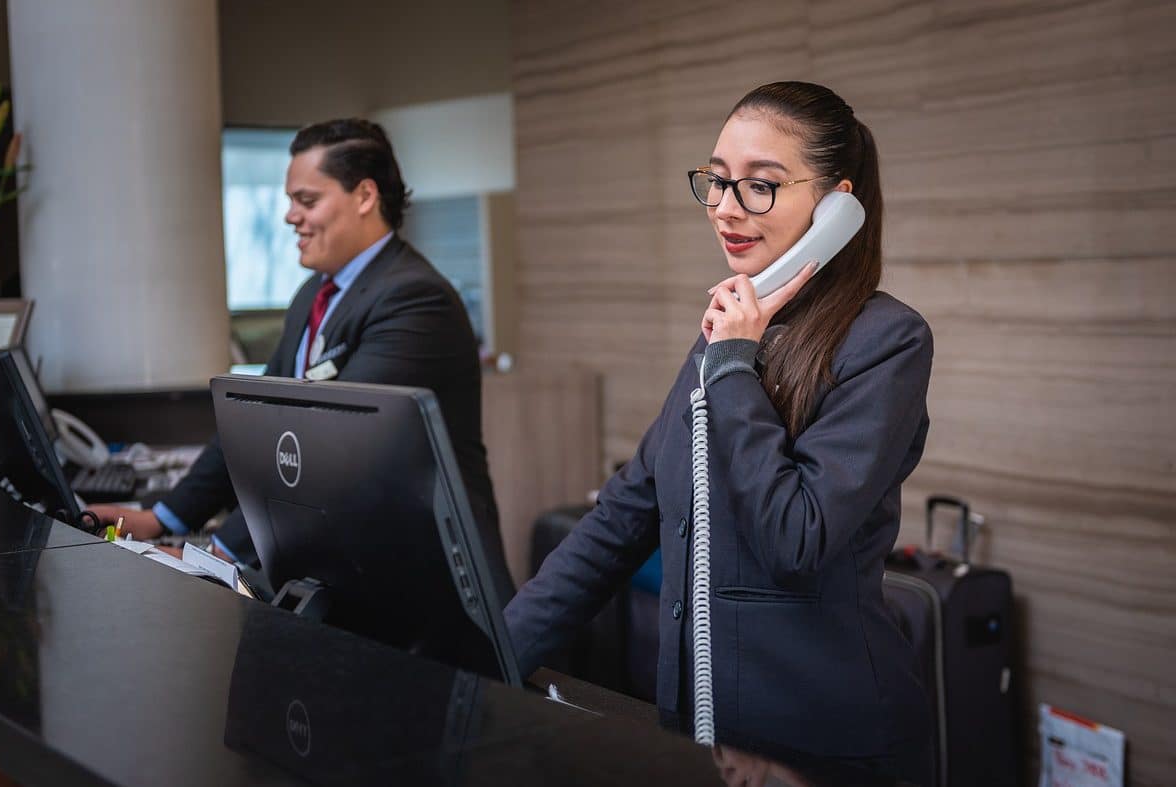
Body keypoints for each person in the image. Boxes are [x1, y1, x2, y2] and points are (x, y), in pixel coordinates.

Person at [503, 81, 933, 782]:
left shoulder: (886, 341)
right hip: (698, 738)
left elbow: (799, 538)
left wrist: (734, 359)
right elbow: (621, 517)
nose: (726, 209)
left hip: (820, 750)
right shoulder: (729, 332)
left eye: (759, 186)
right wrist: (489, 652)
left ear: (837, 207)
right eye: (717, 181)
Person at [92, 119, 511, 597]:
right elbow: (254, 424)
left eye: (307, 200)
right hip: (346, 571)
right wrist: (161, 518)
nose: (291, 216)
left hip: (424, 589)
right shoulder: (314, 292)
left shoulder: (414, 300)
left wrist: (215, 557)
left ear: (365, 196)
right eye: (291, 200)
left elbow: (326, 453)